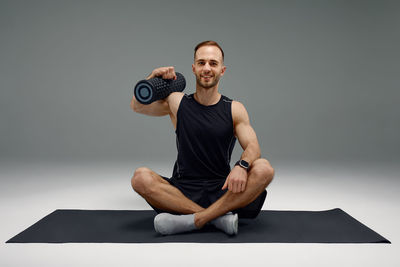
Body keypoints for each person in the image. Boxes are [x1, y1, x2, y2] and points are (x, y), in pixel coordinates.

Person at [130, 40, 274, 235]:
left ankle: (195, 220)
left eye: (213, 63)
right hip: (181, 191)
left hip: (223, 189)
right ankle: (215, 219)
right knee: (140, 178)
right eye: (201, 63)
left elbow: (253, 147)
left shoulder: (234, 109)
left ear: (222, 70)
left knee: (264, 168)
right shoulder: (177, 101)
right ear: (194, 68)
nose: (207, 68)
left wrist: (242, 166)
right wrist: (150, 78)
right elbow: (137, 105)